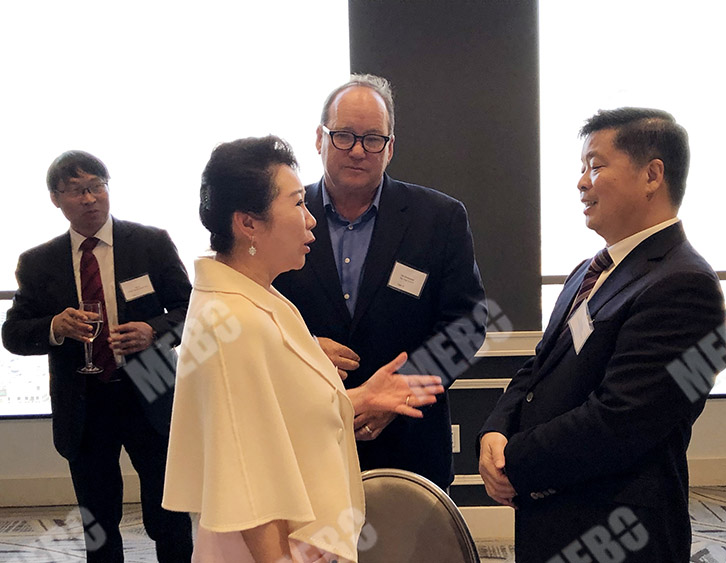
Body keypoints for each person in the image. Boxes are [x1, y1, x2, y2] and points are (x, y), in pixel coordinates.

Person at [162, 135, 444, 563]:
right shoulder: (232, 322)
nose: (311, 220)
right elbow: (249, 482)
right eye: (297, 204)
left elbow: (280, 421)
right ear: (248, 223)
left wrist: (357, 399)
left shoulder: (257, 297)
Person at [478, 108, 726, 562]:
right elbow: (539, 366)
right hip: (553, 517)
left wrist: (514, 460)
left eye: (595, 166)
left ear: (652, 175)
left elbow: (622, 422)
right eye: (581, 168)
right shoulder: (588, 272)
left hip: (617, 535)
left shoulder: (685, 284)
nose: (581, 182)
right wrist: (495, 430)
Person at [273, 74, 486, 490]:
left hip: (409, 444)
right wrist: (302, 348)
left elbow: (467, 325)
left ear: (390, 147)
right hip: (303, 441)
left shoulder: (439, 219)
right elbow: (255, 313)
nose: (357, 150)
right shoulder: (281, 218)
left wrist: (399, 392)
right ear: (319, 138)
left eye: (372, 139)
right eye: (343, 136)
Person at [1, 151, 193, 561]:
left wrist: (153, 330)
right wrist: (55, 326)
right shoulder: (38, 263)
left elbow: (191, 309)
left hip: (151, 389)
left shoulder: (151, 243)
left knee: (169, 510)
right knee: (98, 519)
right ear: (56, 198)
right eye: (76, 190)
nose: (89, 199)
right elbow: (13, 334)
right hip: (85, 400)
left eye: (96, 187)